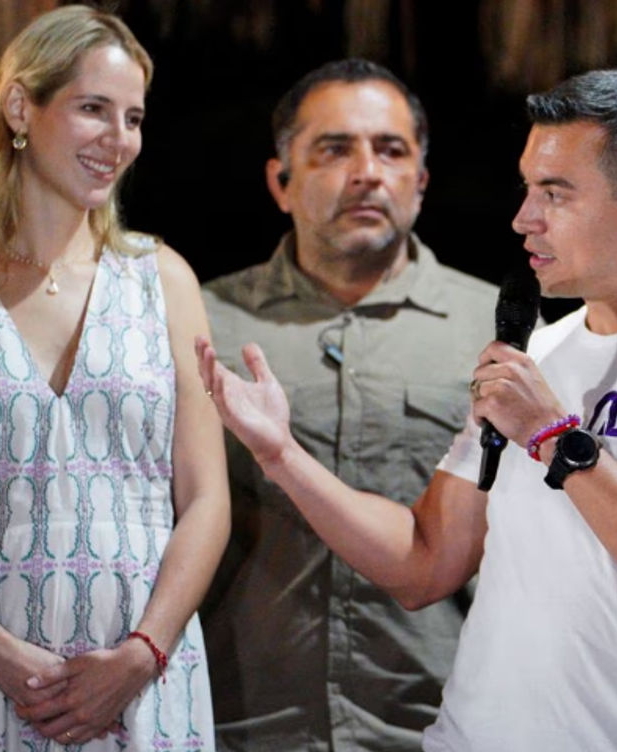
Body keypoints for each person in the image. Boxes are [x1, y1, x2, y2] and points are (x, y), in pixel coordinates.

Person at [197, 67, 617, 751]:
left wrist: (553, 434)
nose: (524, 217)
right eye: (528, 188)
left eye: (555, 193)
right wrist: (280, 454)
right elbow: (425, 562)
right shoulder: (537, 354)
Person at [0, 6, 229, 750]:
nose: (119, 139)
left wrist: (141, 656)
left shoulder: (165, 281)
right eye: (93, 109)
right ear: (20, 108)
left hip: (141, 681)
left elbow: (206, 500)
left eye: (132, 117)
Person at [198, 58, 498, 751]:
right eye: (334, 149)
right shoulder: (206, 323)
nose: (367, 171)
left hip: (440, 724)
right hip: (241, 720)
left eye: (391, 151)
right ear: (281, 181)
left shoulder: (498, 332)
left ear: (420, 182)